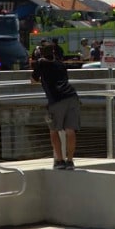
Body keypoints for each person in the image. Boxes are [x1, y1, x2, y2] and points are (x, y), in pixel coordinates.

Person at [30, 42, 81, 170]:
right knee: (70, 131)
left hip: (56, 99)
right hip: (72, 96)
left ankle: (59, 160)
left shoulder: (41, 63)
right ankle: (70, 161)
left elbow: (33, 80)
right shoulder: (60, 64)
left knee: (54, 130)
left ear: (41, 54)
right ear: (53, 52)